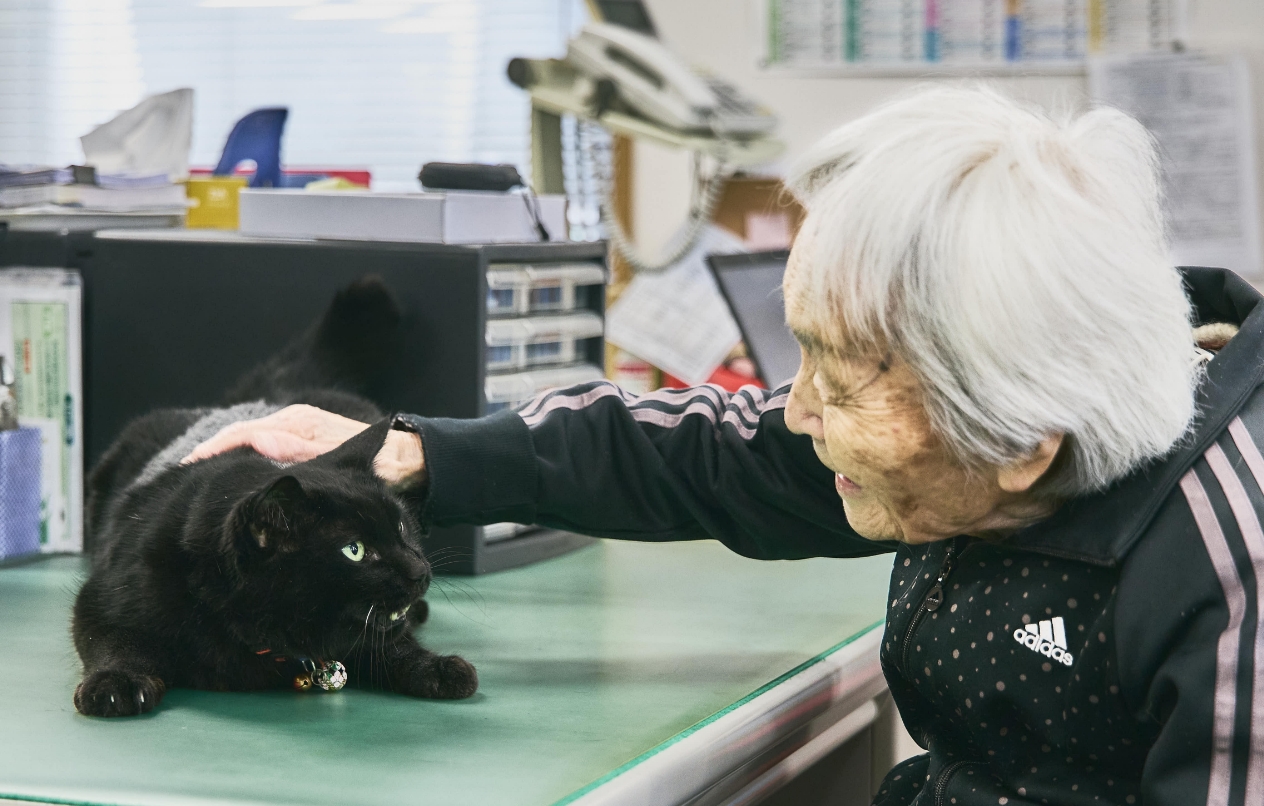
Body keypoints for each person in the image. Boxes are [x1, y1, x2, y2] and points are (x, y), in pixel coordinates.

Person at [183, 86, 1264, 806]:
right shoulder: (967, 427)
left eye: (837, 381)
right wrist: (424, 456)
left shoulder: (1225, 568)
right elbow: (708, 454)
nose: (795, 414)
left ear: (1026, 440)